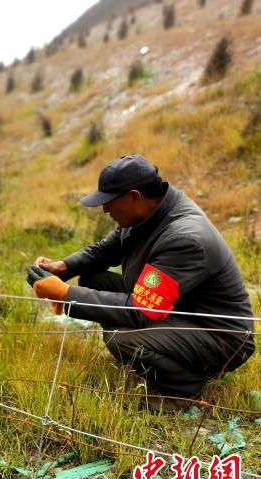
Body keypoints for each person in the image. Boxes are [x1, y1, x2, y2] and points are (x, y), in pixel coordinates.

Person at [27, 155, 255, 411]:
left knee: (120, 338)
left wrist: (66, 295)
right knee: (93, 278)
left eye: (108, 202)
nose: (105, 210)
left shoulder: (185, 238)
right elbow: (105, 251)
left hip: (219, 336)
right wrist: (63, 267)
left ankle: (182, 388)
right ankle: (158, 354)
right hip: (178, 309)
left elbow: (140, 308)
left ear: (134, 196)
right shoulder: (148, 214)